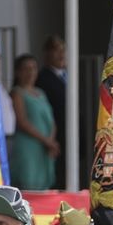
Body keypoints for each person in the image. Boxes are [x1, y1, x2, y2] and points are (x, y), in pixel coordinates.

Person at [8, 54, 58, 191]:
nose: (30, 72)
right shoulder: (17, 93)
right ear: (18, 72)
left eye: (33, 68)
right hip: (28, 146)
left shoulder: (41, 93)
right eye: (26, 69)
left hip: (44, 147)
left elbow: (51, 119)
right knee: (28, 185)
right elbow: (22, 122)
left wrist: (51, 140)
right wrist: (46, 140)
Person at [39, 36, 69, 190]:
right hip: (55, 135)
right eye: (56, 50)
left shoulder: (69, 75)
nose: (61, 54)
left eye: (63, 49)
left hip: (71, 135)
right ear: (47, 54)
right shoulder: (43, 78)